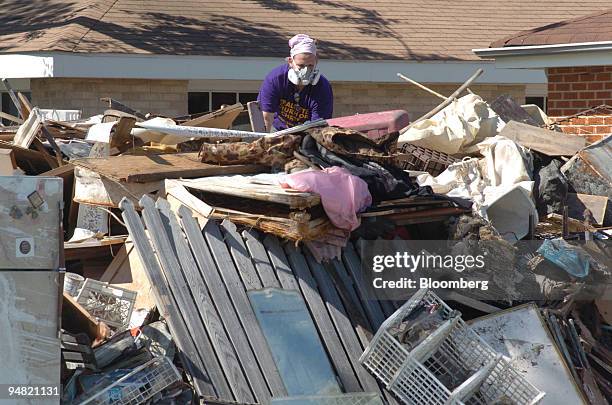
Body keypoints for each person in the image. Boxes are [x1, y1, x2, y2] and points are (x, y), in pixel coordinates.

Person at [257, 34, 333, 131]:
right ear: (290, 61)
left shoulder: (323, 88)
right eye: (301, 65)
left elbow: (319, 128)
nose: (306, 71)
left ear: (316, 62)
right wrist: (265, 141)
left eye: (310, 65)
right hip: (276, 129)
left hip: (307, 132)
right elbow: (266, 118)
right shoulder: (276, 79)